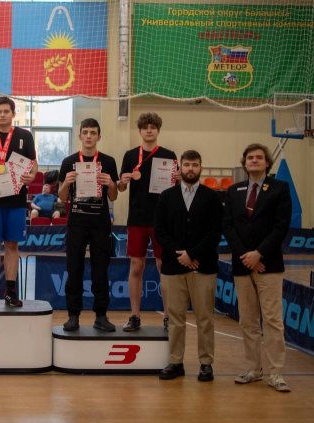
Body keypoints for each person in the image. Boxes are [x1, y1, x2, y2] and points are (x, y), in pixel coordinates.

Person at [223, 143, 292, 392]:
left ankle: (275, 373)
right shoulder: (234, 190)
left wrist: (259, 253)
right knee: (248, 320)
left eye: (259, 157)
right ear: (244, 163)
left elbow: (281, 226)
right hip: (242, 265)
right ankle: (253, 369)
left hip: (268, 264)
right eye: (250, 157)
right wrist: (246, 255)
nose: (254, 160)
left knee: (272, 320)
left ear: (267, 163)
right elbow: (228, 226)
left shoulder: (279, 188)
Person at [154, 150, 222, 381]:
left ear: (200, 167)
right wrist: (180, 254)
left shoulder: (212, 197)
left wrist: (192, 254)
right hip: (173, 267)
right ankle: (175, 362)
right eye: (187, 165)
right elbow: (160, 231)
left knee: (205, 318)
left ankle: (206, 363)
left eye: (194, 164)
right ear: (180, 168)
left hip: (203, 266)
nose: (190, 168)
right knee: (175, 318)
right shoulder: (166, 196)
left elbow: (215, 232)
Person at [0, 96, 38, 307]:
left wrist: (32, 175)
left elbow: (33, 164)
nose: (2, 115)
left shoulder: (25, 136)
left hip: (16, 199)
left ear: (13, 113)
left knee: (12, 245)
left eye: (6, 111)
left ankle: (10, 293)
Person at [118, 112, 178, 332]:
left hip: (163, 219)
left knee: (164, 266)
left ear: (158, 130)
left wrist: (179, 180)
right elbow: (121, 187)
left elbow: (176, 188)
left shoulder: (169, 155)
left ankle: (169, 317)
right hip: (137, 218)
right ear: (140, 131)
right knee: (136, 265)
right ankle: (134, 315)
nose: (149, 130)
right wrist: (123, 181)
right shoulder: (130, 155)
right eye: (145, 127)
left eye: (153, 127)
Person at [58, 118, 119, 331]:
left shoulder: (108, 162)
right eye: (85, 132)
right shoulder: (69, 162)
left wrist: (111, 184)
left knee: (100, 270)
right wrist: (66, 183)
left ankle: (101, 315)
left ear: (99, 136)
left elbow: (113, 197)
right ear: (80, 135)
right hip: (76, 222)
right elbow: (62, 197)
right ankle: (73, 315)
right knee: (74, 268)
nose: (89, 136)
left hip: (100, 223)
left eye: (93, 132)